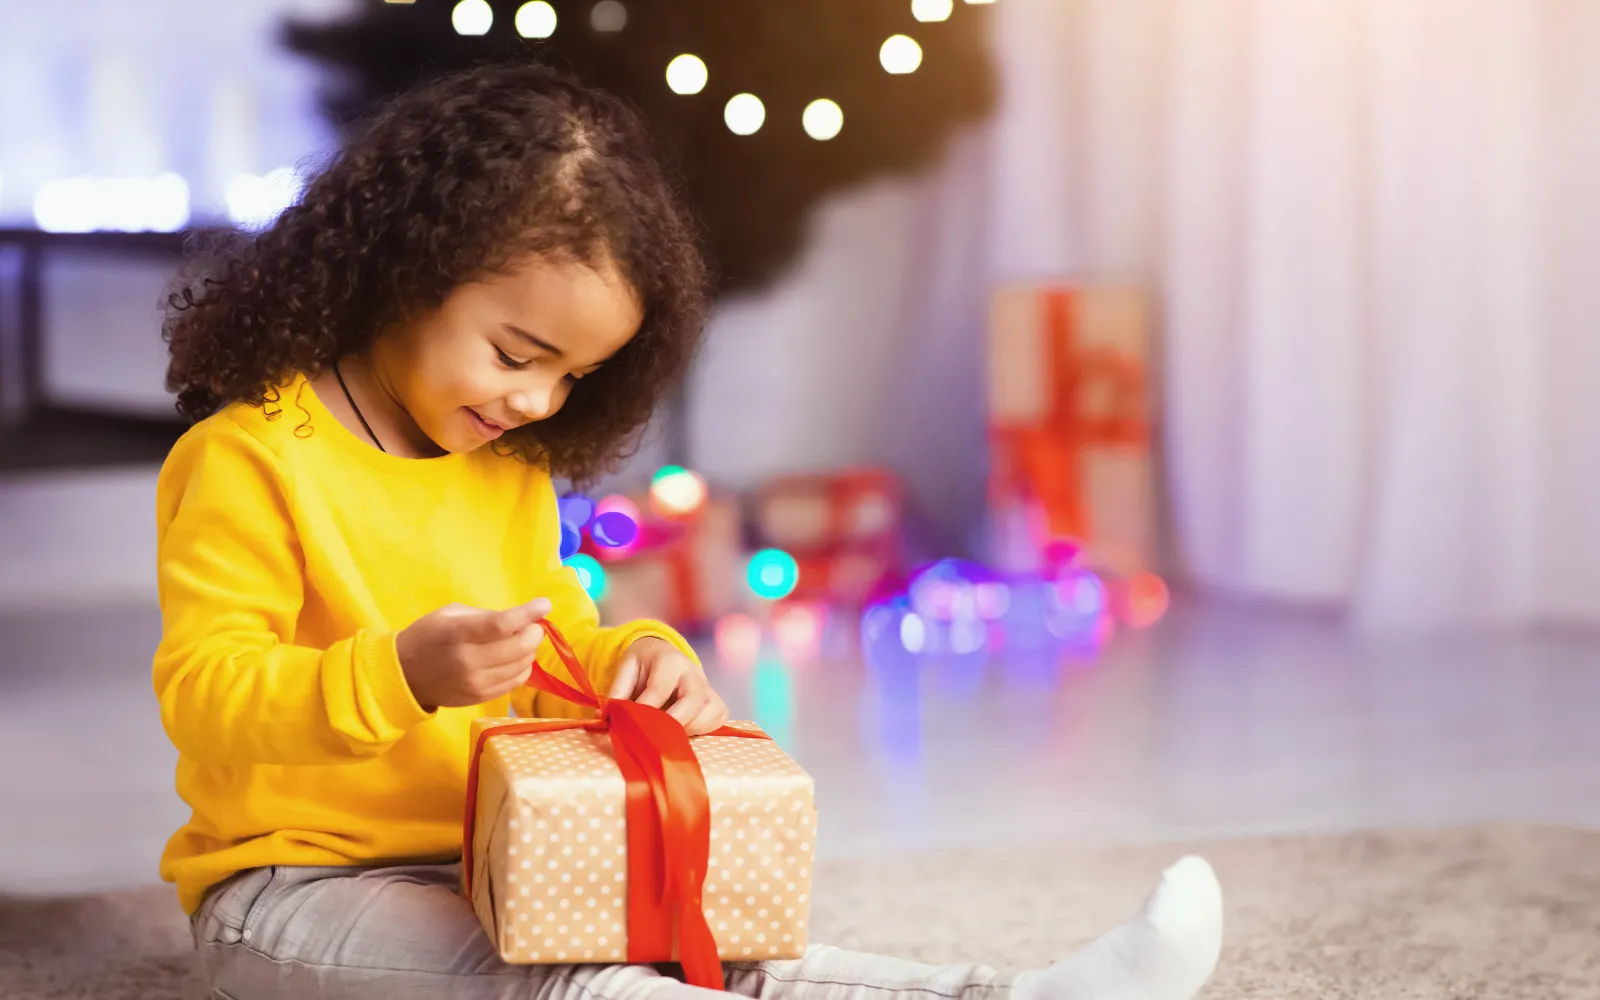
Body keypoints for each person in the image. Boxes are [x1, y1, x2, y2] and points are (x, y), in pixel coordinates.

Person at [154, 64, 1224, 1000]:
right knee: (577, 982)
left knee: (713, 946)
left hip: (496, 851)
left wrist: (640, 659)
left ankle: (1011, 995)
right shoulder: (251, 458)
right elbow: (206, 700)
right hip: (290, 892)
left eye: (570, 377)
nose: (536, 401)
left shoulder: (505, 468)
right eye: (516, 352)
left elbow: (556, 651)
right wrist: (401, 674)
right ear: (403, 271)